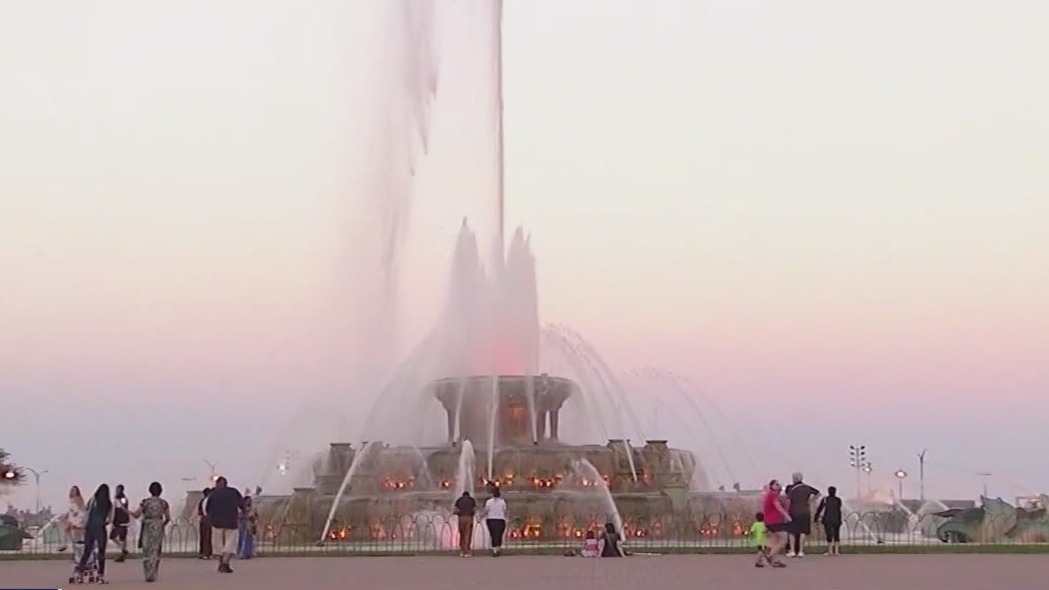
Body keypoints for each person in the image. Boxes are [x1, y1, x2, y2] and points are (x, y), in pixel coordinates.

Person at [128, 481, 171, 582]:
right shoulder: (163, 503)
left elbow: (136, 514)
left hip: (147, 526)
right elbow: (168, 518)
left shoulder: (145, 502)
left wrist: (126, 510)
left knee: (147, 550)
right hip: (158, 525)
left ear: (150, 490)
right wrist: (162, 525)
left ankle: (148, 574)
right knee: (156, 550)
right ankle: (153, 573)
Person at [204, 476, 244, 573]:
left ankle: (222, 564)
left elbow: (207, 508)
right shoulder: (234, 492)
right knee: (230, 545)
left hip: (216, 523)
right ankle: (225, 563)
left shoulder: (213, 494)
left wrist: (210, 518)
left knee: (218, 546)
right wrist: (242, 513)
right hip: (231, 522)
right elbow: (242, 504)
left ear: (217, 484)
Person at [78, 484, 114, 584]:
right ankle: (100, 576)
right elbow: (110, 519)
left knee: (87, 551)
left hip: (90, 527)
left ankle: (80, 575)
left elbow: (86, 510)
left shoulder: (92, 500)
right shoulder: (109, 504)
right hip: (100, 528)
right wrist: (104, 522)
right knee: (101, 552)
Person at [784, 472, 820, 557]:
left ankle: (792, 551)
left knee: (792, 532)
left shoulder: (792, 489)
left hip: (793, 511)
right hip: (805, 511)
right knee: (803, 531)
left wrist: (786, 512)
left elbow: (788, 501)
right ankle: (801, 551)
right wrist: (810, 501)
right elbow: (818, 493)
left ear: (794, 479)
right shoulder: (807, 487)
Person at [761, 479, 790, 567]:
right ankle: (770, 556)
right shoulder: (773, 495)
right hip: (774, 521)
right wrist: (786, 515)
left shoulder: (770, 495)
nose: (779, 486)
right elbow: (778, 506)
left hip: (769, 521)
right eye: (776, 484)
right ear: (772, 486)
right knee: (782, 539)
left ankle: (774, 560)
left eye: (779, 484)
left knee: (774, 541)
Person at [814, 485, 844, 556]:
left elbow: (820, 509)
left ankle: (830, 551)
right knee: (837, 534)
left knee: (829, 534)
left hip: (827, 518)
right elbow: (839, 509)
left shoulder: (825, 499)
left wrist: (816, 517)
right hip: (837, 518)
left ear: (828, 492)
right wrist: (840, 519)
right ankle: (836, 551)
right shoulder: (838, 500)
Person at [483, 487, 507, 556]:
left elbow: (486, 510)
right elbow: (504, 510)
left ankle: (494, 550)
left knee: (493, 534)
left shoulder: (489, 501)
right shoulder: (502, 501)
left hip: (491, 519)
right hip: (500, 519)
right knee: (499, 534)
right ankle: (498, 548)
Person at [453, 491, 477, 557]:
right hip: (469, 518)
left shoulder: (459, 500)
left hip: (461, 518)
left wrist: (457, 513)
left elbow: (455, 510)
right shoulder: (472, 500)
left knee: (462, 534)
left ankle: (462, 550)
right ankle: (467, 551)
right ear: (468, 495)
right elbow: (474, 510)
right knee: (468, 534)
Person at [110, 484, 131, 562]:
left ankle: (123, 552)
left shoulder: (123, 499)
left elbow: (123, 507)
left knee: (122, 537)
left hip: (122, 521)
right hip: (117, 520)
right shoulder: (116, 499)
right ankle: (123, 550)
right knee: (113, 537)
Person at [237, 491, 257, 559]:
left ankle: (248, 553)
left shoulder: (252, 509)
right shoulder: (241, 509)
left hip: (249, 525)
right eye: (248, 500)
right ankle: (241, 553)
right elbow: (239, 516)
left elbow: (254, 517)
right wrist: (245, 516)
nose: (249, 502)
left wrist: (252, 518)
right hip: (242, 525)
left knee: (249, 539)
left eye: (250, 501)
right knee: (242, 539)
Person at [197, 487, 213, 559]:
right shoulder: (210, 501)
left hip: (203, 519)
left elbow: (199, 512)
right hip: (209, 519)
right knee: (208, 537)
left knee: (203, 537)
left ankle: (203, 552)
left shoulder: (202, 501)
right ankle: (207, 553)